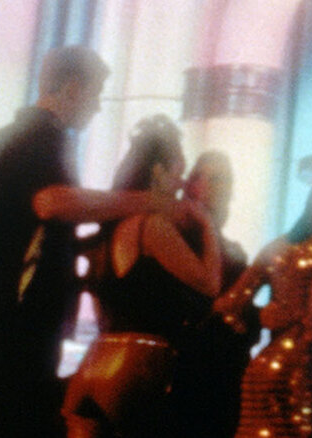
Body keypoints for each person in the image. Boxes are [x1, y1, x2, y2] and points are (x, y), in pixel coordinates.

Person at [0, 45, 171, 438]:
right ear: (73, 88)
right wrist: (150, 202)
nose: (97, 107)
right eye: (95, 94)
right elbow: (54, 202)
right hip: (2, 333)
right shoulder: (43, 137)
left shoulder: (12, 140)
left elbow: (32, 228)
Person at [62, 117, 225, 437]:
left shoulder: (110, 229)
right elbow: (209, 283)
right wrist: (207, 226)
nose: (181, 184)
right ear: (157, 172)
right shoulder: (151, 227)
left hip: (95, 363)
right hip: (137, 367)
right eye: (177, 173)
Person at [215, 172, 312, 438]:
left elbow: (228, 305)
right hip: (295, 368)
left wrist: (265, 316)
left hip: (261, 369)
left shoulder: (276, 247)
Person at [170, 153, 253, 438]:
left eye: (225, 180)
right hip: (186, 371)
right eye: (213, 178)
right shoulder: (175, 240)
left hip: (228, 372)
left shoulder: (235, 252)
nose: (222, 187)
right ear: (191, 185)